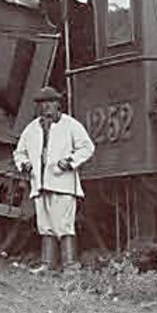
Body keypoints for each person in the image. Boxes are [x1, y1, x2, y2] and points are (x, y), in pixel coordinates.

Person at [12, 86, 96, 275]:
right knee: (45, 225)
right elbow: (19, 152)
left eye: (50, 103)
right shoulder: (32, 128)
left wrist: (70, 162)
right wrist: (24, 164)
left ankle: (70, 266)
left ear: (58, 104)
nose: (47, 107)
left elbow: (87, 147)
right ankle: (48, 264)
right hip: (40, 183)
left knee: (64, 224)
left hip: (63, 183)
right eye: (43, 104)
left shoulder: (70, 125)